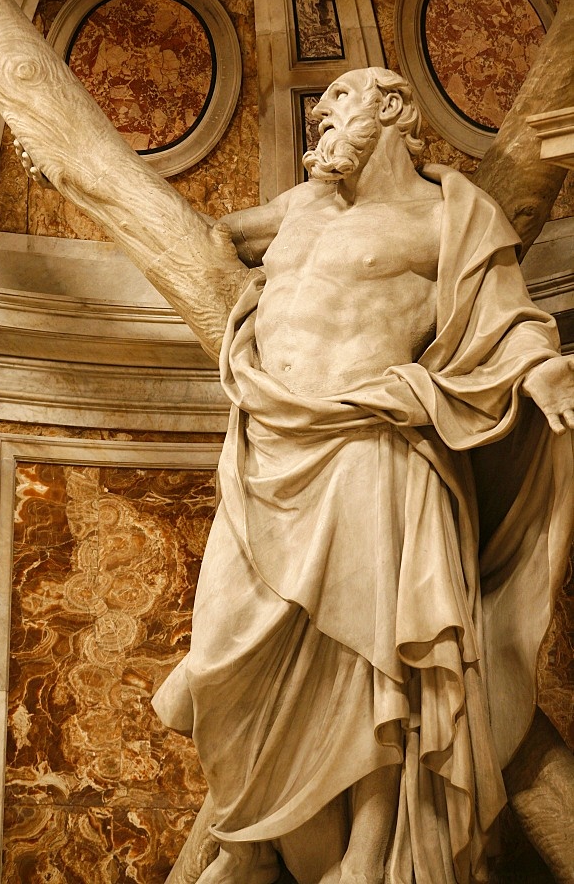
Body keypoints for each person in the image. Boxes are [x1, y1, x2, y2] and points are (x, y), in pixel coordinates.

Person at [150, 67, 574, 884]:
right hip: (271, 445)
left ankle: (370, 852)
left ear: (391, 110)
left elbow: (506, 316)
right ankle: (250, 828)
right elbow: (211, 236)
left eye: (339, 102)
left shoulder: (447, 214)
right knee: (224, 641)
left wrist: (541, 370)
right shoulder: (299, 208)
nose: (322, 117)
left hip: (375, 451)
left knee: (378, 653)